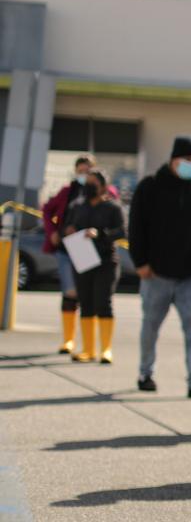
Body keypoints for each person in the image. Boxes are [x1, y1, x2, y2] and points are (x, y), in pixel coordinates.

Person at [128, 136, 191, 398]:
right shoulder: (150, 187)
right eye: (187, 160)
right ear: (173, 160)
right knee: (151, 325)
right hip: (156, 273)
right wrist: (141, 262)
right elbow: (137, 226)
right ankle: (146, 373)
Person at [65, 170, 126, 364]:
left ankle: (106, 349)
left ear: (103, 186)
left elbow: (121, 232)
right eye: (87, 183)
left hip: (106, 260)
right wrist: (69, 230)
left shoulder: (112, 208)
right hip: (82, 257)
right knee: (86, 302)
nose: (89, 187)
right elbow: (66, 225)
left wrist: (99, 233)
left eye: (93, 183)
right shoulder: (78, 206)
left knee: (103, 301)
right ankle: (88, 349)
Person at [41, 154, 93, 355]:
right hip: (67, 245)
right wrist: (52, 232)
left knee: (87, 294)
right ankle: (68, 340)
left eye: (87, 171)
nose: (83, 175)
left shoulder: (101, 191)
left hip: (87, 246)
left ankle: (89, 344)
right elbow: (47, 210)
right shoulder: (67, 191)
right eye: (80, 171)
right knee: (69, 291)